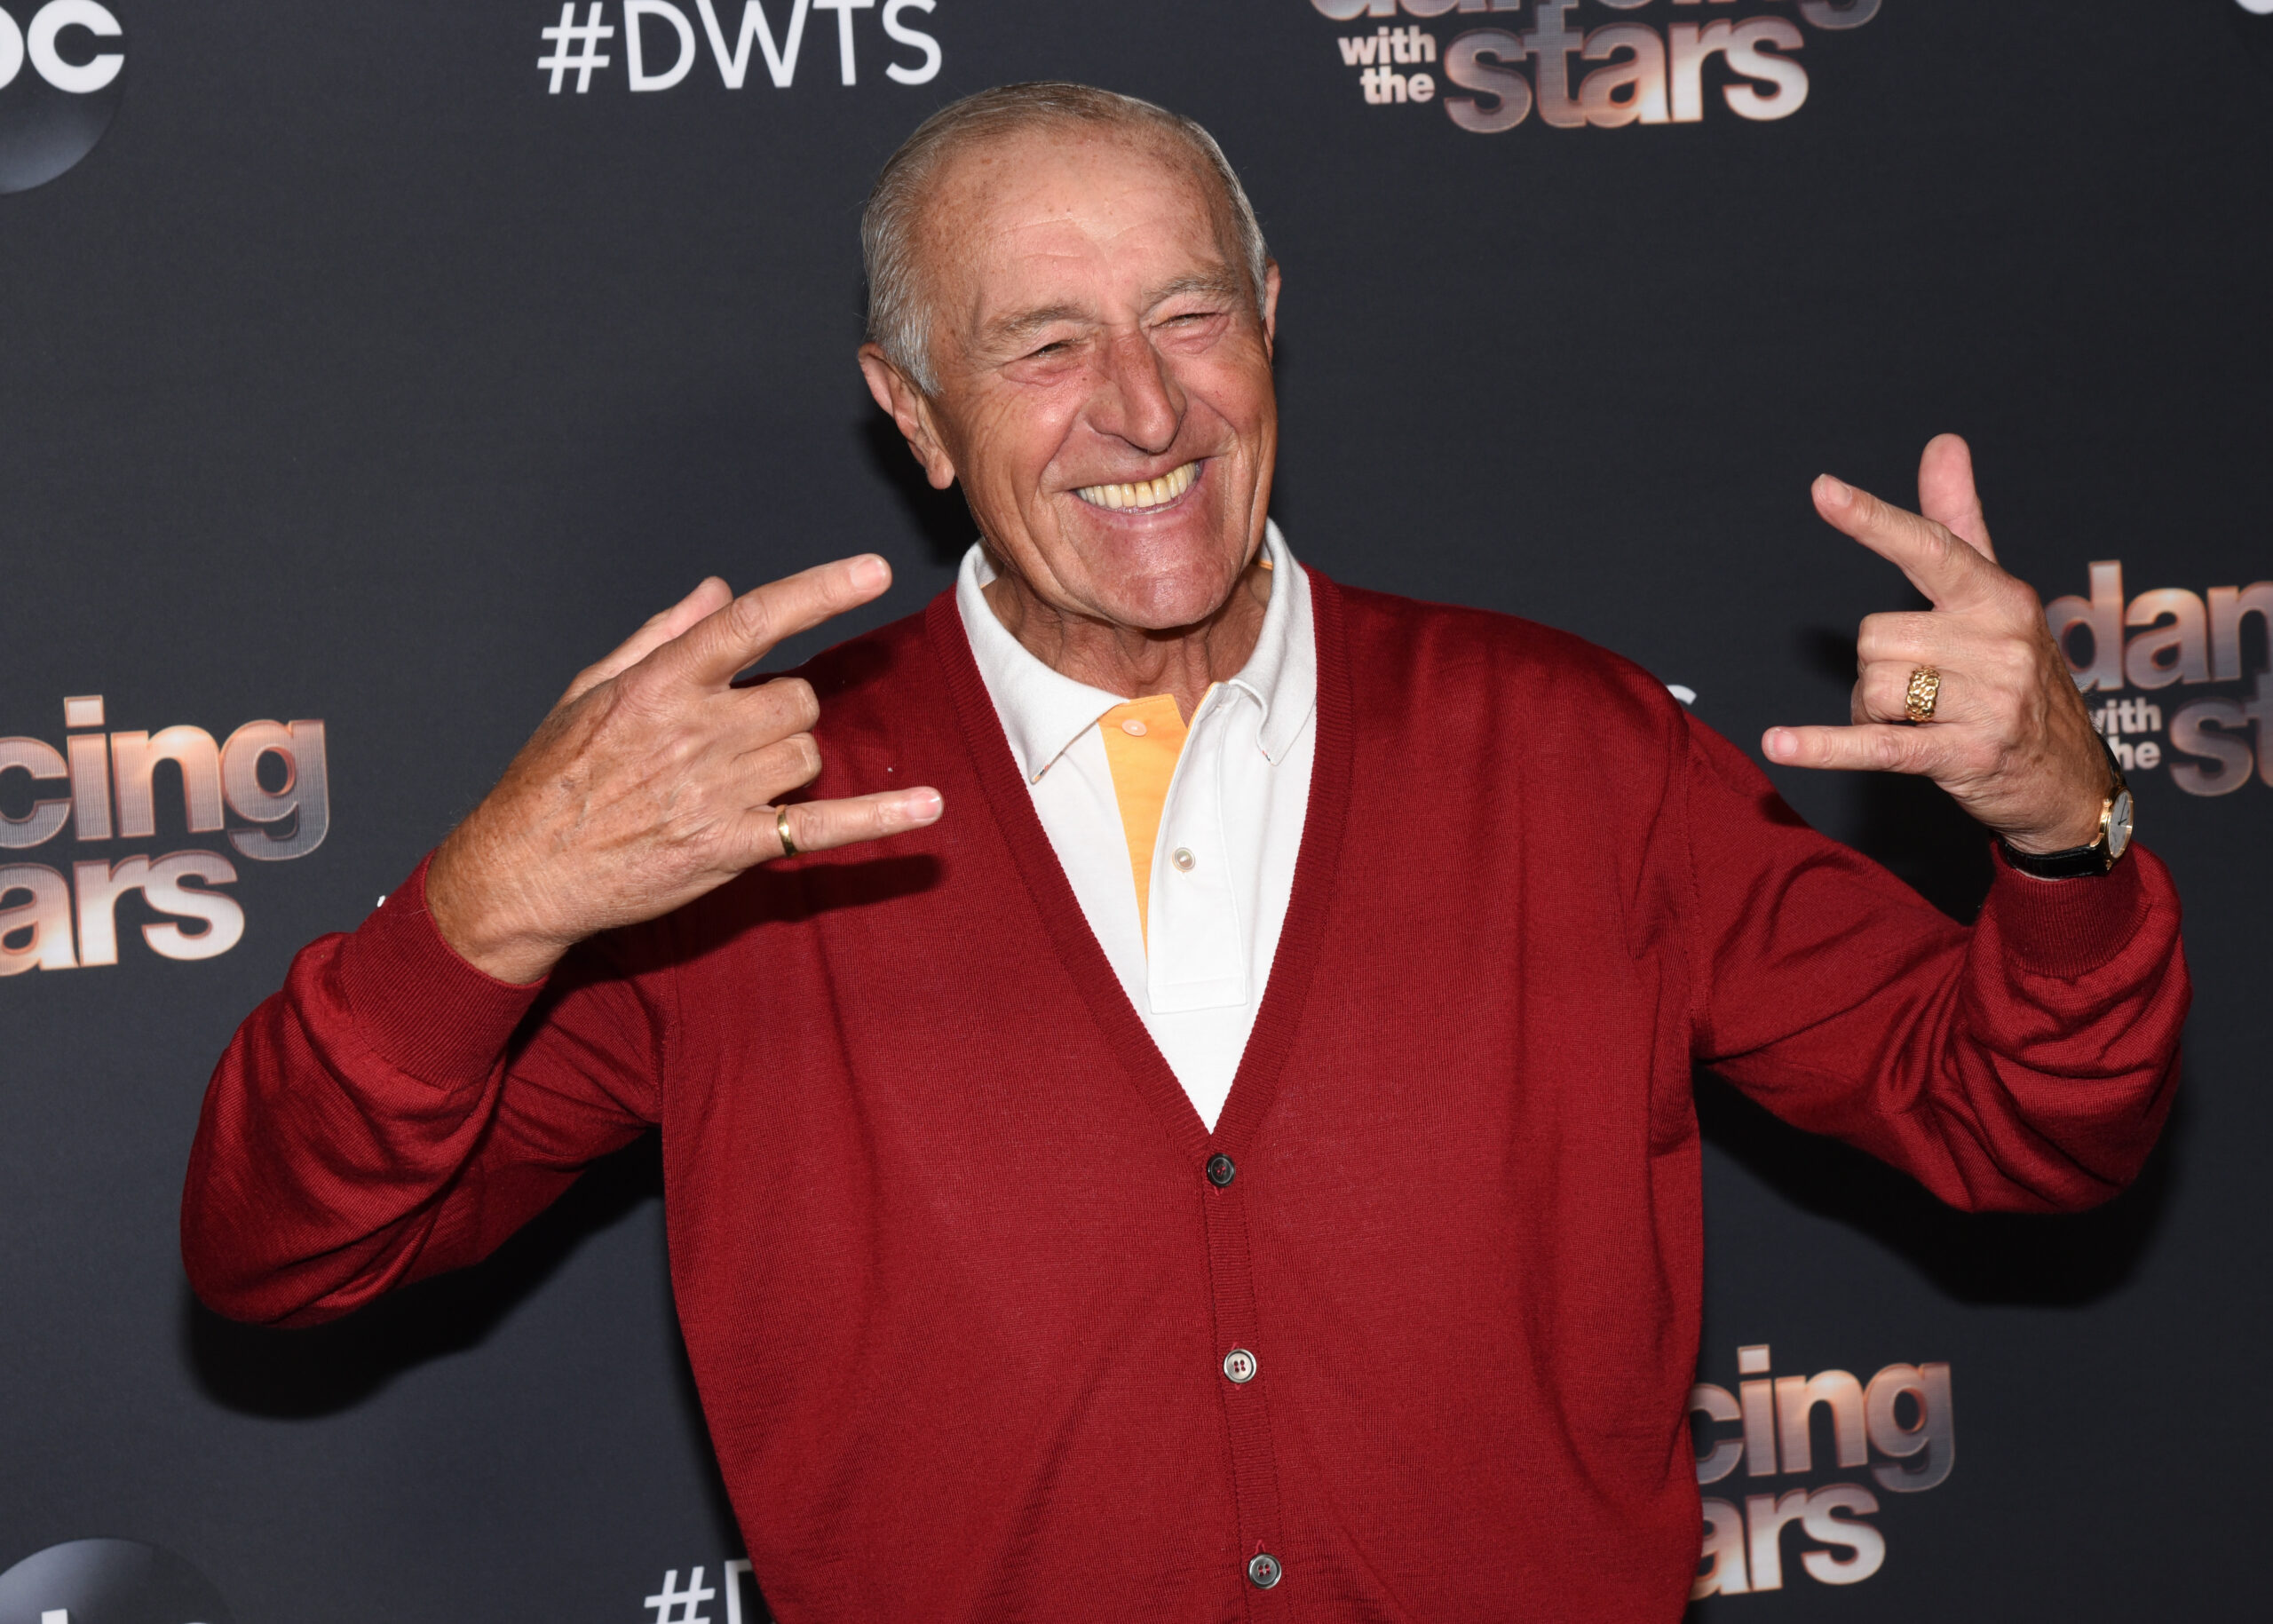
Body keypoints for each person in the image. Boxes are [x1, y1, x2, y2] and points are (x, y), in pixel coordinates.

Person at [182, 83, 2187, 1622]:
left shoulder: (1569, 748)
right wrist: (484, 912)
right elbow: (282, 1258)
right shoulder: (742, 819)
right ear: (913, 413)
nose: (1141, 408)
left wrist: (2060, 837)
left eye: (1187, 314)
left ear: (1270, 325)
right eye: (1042, 344)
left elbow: (2028, 1128)